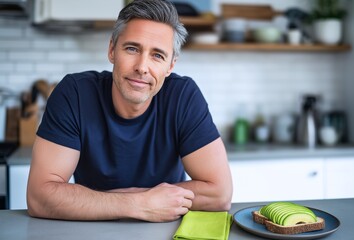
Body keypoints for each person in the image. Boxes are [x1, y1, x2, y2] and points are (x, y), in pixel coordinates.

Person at [27, 0, 232, 222]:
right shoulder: (74, 93)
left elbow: (220, 194)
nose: (142, 67)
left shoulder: (183, 96)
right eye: (132, 48)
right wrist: (140, 203)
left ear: (170, 65)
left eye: (157, 55)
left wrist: (111, 199)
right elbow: (39, 197)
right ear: (112, 50)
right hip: (91, 230)